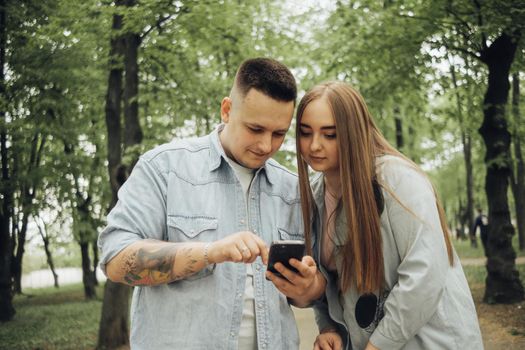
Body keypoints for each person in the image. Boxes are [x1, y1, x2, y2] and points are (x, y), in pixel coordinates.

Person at [98, 57, 324, 350]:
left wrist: (307, 286)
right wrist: (210, 252)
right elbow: (116, 260)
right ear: (227, 110)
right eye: (255, 129)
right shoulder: (164, 168)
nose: (266, 145)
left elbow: (314, 291)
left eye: (279, 134)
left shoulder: (293, 190)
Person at [293, 81, 483, 350]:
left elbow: (424, 275)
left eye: (330, 134)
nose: (314, 145)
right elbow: (328, 280)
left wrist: (379, 344)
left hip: (429, 341)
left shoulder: (397, 180)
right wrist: (328, 326)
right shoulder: (313, 195)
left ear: (353, 133)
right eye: (305, 132)